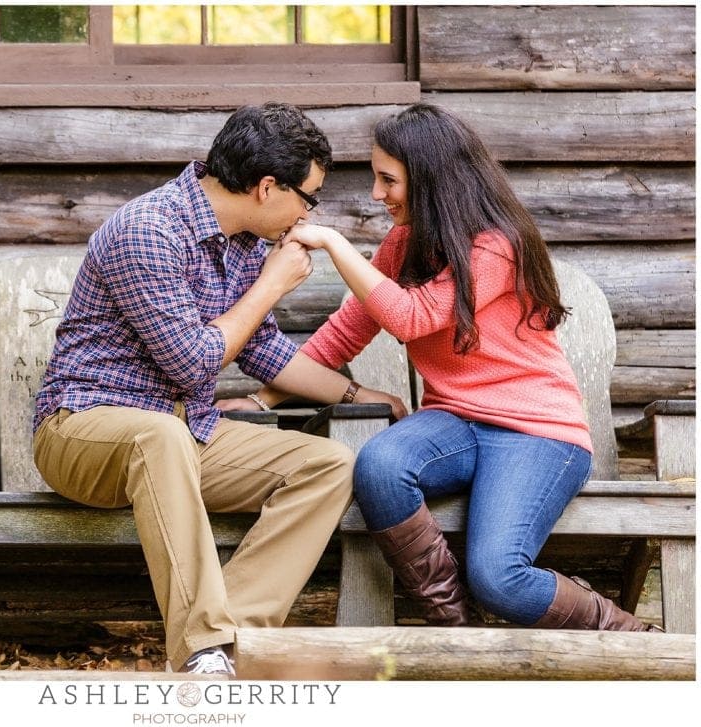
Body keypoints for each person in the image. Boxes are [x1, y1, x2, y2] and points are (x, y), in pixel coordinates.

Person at [240, 103, 658, 632]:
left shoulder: (497, 246)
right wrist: (261, 401)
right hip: (454, 423)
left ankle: (629, 633)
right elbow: (348, 331)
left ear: (430, 178)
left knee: (499, 580)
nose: (376, 193)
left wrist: (334, 243)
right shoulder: (403, 243)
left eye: (388, 179)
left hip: (537, 435)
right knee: (380, 466)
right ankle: (454, 630)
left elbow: (413, 318)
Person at [32, 102, 408, 676]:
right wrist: (270, 286)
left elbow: (266, 353)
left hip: (185, 436)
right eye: (309, 198)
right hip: (83, 432)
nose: (309, 214)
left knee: (327, 464)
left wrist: (360, 397)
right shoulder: (148, 229)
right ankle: (200, 649)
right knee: (157, 436)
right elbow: (192, 363)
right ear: (266, 187)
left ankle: (232, 643)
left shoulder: (245, 243)